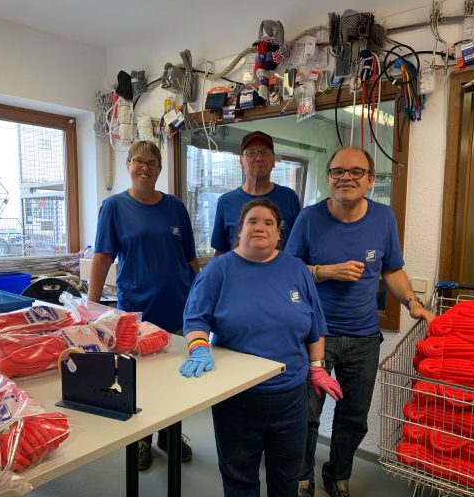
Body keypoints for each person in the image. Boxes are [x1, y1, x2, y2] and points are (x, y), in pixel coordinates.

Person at [286, 146, 436, 497]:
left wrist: (413, 302)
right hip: (315, 337)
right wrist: (324, 272)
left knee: (354, 417)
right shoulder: (308, 219)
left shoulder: (384, 218)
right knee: (306, 416)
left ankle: (337, 475)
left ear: (370, 179)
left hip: (365, 339)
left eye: (356, 172)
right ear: (328, 179)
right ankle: (301, 477)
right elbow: (288, 272)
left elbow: (392, 269)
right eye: (338, 171)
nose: (346, 178)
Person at [180, 198, 342, 497]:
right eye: (252, 221)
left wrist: (317, 369)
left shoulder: (296, 270)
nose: (260, 227)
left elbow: (315, 327)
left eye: (269, 223)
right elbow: (195, 319)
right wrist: (200, 347)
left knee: (286, 477)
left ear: (279, 234)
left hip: (291, 397)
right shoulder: (220, 269)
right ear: (239, 231)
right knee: (240, 477)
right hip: (238, 398)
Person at [88, 140, 199, 471]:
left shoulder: (175, 208)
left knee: (176, 380)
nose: (145, 168)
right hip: (135, 313)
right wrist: (91, 308)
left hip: (177, 310)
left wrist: (203, 298)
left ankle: (170, 435)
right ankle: (141, 440)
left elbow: (190, 257)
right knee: (139, 381)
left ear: (160, 169)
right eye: (139, 161)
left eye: (152, 163)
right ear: (128, 165)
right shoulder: (114, 207)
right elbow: (103, 256)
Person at [211, 131, 301, 255]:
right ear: (241, 161)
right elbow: (220, 251)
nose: (259, 158)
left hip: (282, 273)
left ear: (274, 160)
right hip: (239, 274)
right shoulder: (225, 202)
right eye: (251, 153)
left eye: (265, 152)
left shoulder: (289, 198)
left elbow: (300, 246)